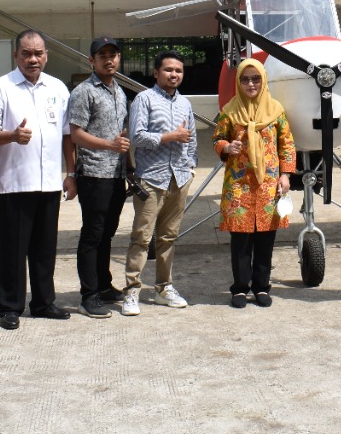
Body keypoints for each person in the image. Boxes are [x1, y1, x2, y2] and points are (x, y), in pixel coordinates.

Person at [0, 30, 72, 330]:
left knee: (45, 248)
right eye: (26, 53)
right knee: (13, 250)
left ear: (46, 55)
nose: (33, 59)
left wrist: (72, 173)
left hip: (49, 184)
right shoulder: (0, 87)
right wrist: (13, 136)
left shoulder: (57, 88)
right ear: (15, 55)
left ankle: (44, 303)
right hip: (14, 183)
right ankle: (10, 306)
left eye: (38, 53)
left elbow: (68, 134)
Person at [212, 58, 296, 308]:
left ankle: (261, 287)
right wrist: (227, 146)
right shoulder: (230, 111)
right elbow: (217, 139)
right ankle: (239, 289)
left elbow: (287, 144)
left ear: (263, 80)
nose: (250, 83)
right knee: (240, 242)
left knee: (265, 241)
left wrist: (286, 175)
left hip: (268, 185)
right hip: (240, 186)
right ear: (238, 82)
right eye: (245, 79)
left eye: (255, 78)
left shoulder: (276, 111)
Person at [123, 49, 197, 315]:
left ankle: (164, 288)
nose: (174, 74)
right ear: (156, 73)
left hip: (179, 178)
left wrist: (190, 167)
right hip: (151, 179)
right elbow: (138, 137)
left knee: (168, 237)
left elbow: (192, 140)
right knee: (142, 237)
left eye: (178, 70)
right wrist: (169, 137)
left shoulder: (185, 104)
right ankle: (132, 291)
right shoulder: (144, 99)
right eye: (168, 70)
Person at [68, 36, 131, 319]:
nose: (109, 59)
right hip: (94, 174)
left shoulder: (119, 91)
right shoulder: (84, 92)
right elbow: (76, 134)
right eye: (102, 54)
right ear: (91, 60)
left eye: (113, 54)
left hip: (116, 174)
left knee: (107, 233)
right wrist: (109, 145)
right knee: (92, 236)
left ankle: (104, 285)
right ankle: (88, 295)